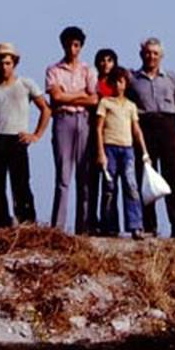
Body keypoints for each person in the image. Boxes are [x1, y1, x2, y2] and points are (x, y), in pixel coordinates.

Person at [0, 42, 51, 228]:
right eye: (1, 63)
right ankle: (1, 225)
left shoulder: (26, 84)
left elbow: (45, 109)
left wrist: (36, 135)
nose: (4, 67)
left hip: (17, 138)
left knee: (21, 184)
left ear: (14, 63)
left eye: (8, 63)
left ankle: (28, 223)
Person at [127, 37, 175, 237]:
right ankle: (148, 226)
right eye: (148, 52)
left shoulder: (171, 77)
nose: (151, 56)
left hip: (169, 125)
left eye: (155, 53)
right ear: (141, 54)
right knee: (145, 175)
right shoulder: (133, 79)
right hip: (145, 125)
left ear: (161, 56)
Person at [46, 26, 98, 233]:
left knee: (84, 176)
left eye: (76, 45)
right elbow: (56, 98)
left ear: (81, 46)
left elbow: (94, 99)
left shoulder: (89, 70)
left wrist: (70, 95)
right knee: (63, 176)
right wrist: (81, 95)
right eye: (69, 44)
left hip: (84, 121)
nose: (72, 48)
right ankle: (58, 228)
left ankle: (83, 227)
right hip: (63, 120)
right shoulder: (54, 69)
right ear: (63, 45)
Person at [96, 67, 149, 240]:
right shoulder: (105, 102)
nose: (119, 85)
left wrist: (144, 152)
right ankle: (110, 225)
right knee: (110, 187)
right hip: (110, 147)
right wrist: (100, 152)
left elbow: (137, 129)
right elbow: (98, 128)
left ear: (126, 84)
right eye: (115, 81)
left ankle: (135, 225)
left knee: (131, 185)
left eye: (122, 81)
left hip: (127, 149)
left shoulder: (130, 106)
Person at [88, 48, 119, 234]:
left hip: (114, 135)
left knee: (111, 182)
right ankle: (91, 222)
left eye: (109, 60)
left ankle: (110, 223)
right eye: (102, 60)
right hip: (93, 134)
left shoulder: (119, 84)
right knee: (92, 181)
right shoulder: (93, 82)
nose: (105, 64)